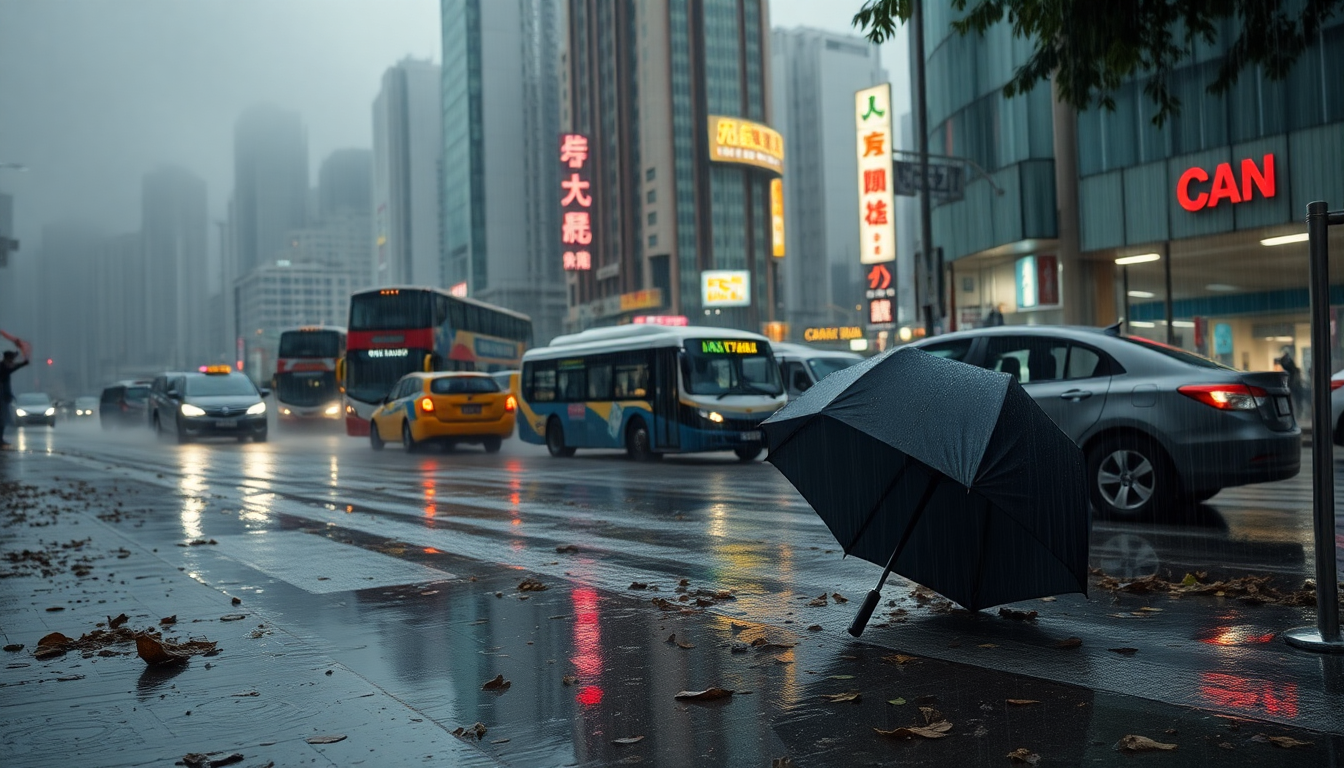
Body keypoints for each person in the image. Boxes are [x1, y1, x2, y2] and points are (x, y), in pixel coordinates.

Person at [0, 345, 31, 447]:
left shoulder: (4, 366)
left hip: (4, 397)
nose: (12, 362)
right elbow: (10, 369)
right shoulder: (2, 367)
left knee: (3, 419)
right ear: (7, 359)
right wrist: (22, 364)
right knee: (2, 419)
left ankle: (1, 439)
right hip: (2, 398)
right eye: (11, 359)